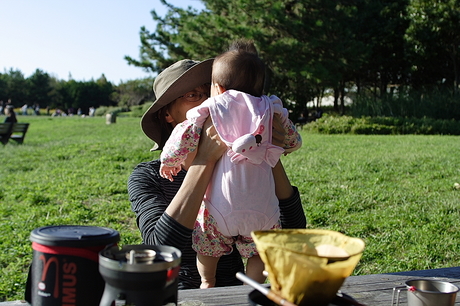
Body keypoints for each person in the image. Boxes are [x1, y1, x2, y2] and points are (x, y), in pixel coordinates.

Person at [128, 55, 306, 290]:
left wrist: (267, 150)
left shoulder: (243, 163)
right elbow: (159, 247)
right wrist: (205, 159)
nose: (208, 101)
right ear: (167, 115)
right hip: (175, 293)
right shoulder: (150, 176)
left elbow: (293, 233)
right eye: (192, 96)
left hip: (234, 291)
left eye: (208, 92)